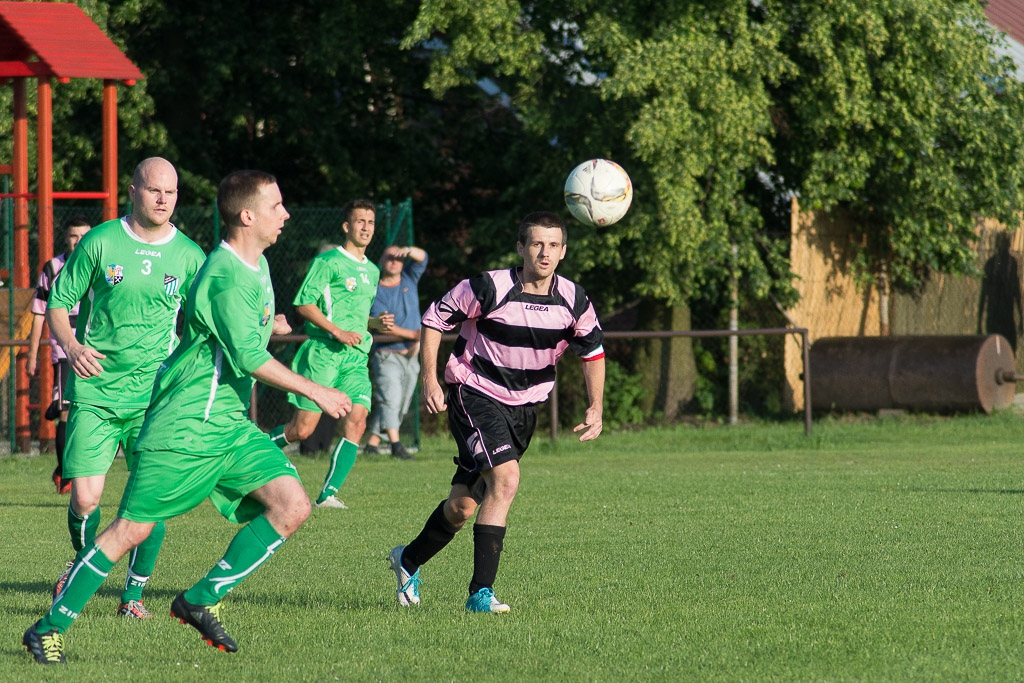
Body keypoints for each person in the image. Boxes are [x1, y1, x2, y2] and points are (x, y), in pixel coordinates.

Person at [22, 170, 352, 665]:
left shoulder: (255, 265)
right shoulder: (222, 271)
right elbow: (246, 358)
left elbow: (241, 335)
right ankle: (48, 628)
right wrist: (315, 390)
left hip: (229, 425)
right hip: (184, 427)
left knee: (292, 505)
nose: (285, 214)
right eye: (277, 205)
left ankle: (197, 599)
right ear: (247, 215)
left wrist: (272, 323)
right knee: (128, 530)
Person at [387, 211, 605, 613]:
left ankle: (408, 560)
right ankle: (479, 594)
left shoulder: (574, 299)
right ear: (521, 248)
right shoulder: (489, 286)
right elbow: (434, 319)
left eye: (553, 245)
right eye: (536, 243)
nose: (545, 252)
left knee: (461, 508)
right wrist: (430, 381)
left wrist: (596, 406)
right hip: (475, 393)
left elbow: (591, 350)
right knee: (506, 480)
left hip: (524, 410)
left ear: (563, 252)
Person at [45, 157, 206, 620]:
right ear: (132, 191)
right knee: (85, 499)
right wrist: (72, 346)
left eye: (171, 192)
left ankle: (132, 597)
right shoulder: (101, 241)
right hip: (97, 388)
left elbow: (206, 319)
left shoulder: (190, 255)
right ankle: (82, 566)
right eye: (154, 190)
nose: (163, 199)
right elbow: (60, 302)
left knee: (148, 501)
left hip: (156, 396)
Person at [269, 200, 393, 509]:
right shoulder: (329, 262)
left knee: (359, 419)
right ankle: (251, 452)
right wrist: (336, 331)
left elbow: (353, 315)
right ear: (346, 226)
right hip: (323, 353)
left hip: (354, 358)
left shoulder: (373, 271)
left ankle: (327, 494)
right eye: (360, 221)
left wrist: (376, 323)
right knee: (302, 429)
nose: (366, 227)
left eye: (371, 222)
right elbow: (305, 304)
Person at [26, 215, 91, 494]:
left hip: (95, 346)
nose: (78, 241)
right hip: (65, 348)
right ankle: (65, 474)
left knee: (81, 408)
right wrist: (31, 354)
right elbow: (40, 313)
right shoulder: (53, 268)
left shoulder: (99, 263)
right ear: (66, 237)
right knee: (67, 410)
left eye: (83, 236)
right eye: (73, 236)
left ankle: (72, 466)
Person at [363, 245, 428, 460]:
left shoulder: (408, 279)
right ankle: (396, 445)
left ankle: (372, 442)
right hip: (387, 354)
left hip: (411, 355)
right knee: (391, 399)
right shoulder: (375, 289)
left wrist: (406, 250)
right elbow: (382, 325)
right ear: (381, 260)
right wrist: (414, 335)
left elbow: (422, 257)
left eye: (398, 258)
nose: (394, 261)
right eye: (389, 257)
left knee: (400, 402)